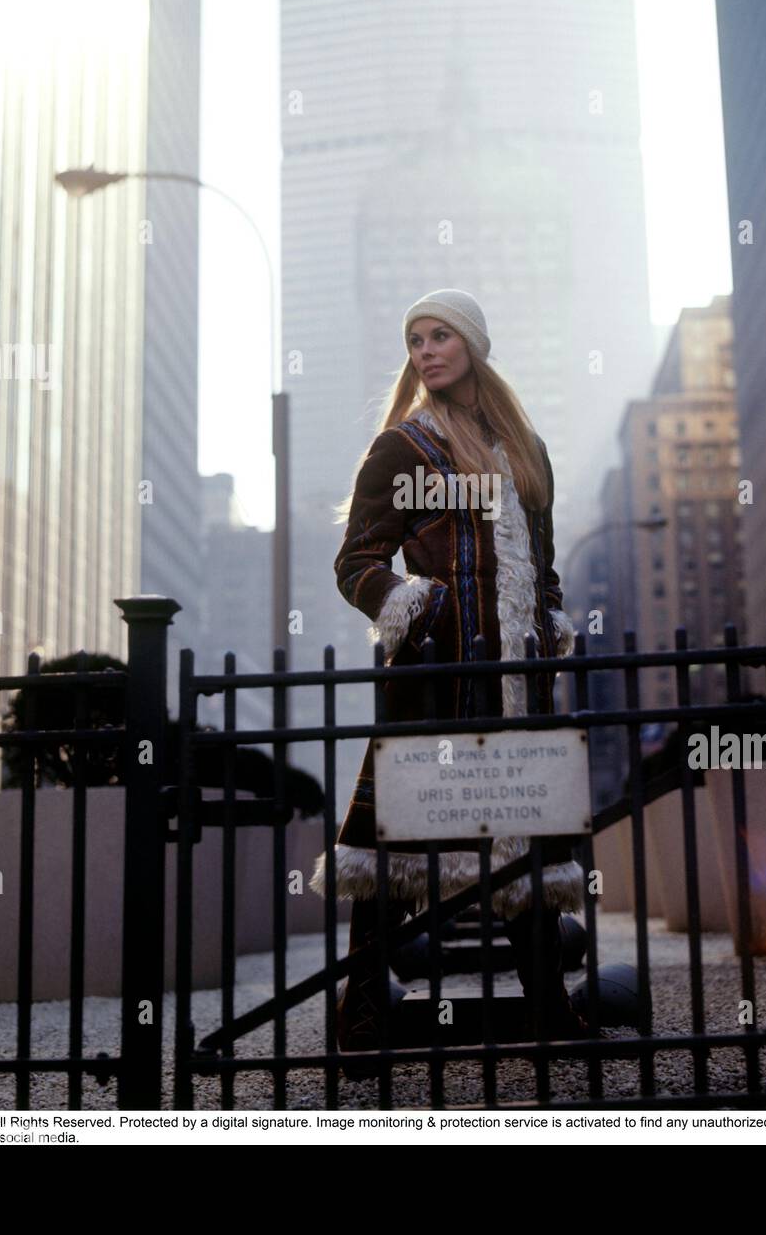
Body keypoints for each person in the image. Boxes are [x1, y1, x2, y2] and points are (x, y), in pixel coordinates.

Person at [309, 288, 591, 1071]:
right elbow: (355, 563)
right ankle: (361, 1011)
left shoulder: (526, 449)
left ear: (473, 343)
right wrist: (413, 606)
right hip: (435, 675)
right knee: (395, 853)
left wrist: (550, 622)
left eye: (440, 335)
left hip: (517, 683)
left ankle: (547, 1007)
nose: (425, 350)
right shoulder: (403, 448)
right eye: (414, 339)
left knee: (524, 844)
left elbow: (545, 566)